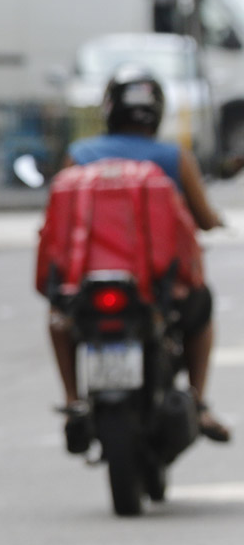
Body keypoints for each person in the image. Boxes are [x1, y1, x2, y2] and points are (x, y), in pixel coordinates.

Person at [51, 65, 231, 450]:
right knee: (202, 310)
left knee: (58, 318)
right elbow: (202, 218)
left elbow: (56, 224)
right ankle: (198, 403)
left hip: (85, 284)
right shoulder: (173, 158)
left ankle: (72, 401)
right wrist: (215, 221)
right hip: (157, 289)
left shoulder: (80, 155)